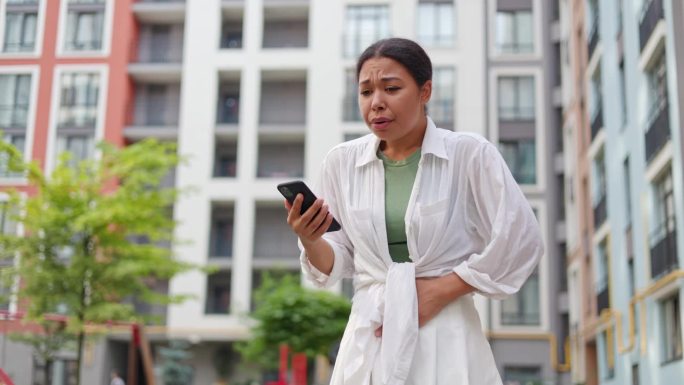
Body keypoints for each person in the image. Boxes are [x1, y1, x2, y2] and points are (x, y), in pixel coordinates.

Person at [284, 38, 543, 385]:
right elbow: (339, 261)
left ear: (425, 92)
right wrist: (310, 238)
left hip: (445, 329)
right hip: (371, 329)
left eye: (391, 88)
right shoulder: (341, 163)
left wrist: (444, 289)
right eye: (365, 92)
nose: (376, 103)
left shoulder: (469, 155)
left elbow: (521, 238)